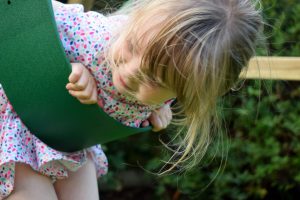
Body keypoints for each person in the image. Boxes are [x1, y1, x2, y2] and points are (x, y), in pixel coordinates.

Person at [0, 0, 263, 199]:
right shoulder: (92, 35)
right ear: (136, 18)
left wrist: (159, 106)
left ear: (185, 93)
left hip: (70, 140)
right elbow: (20, 24)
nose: (129, 71)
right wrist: (62, 67)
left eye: (156, 81)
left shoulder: (170, 84)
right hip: (17, 120)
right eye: (133, 47)